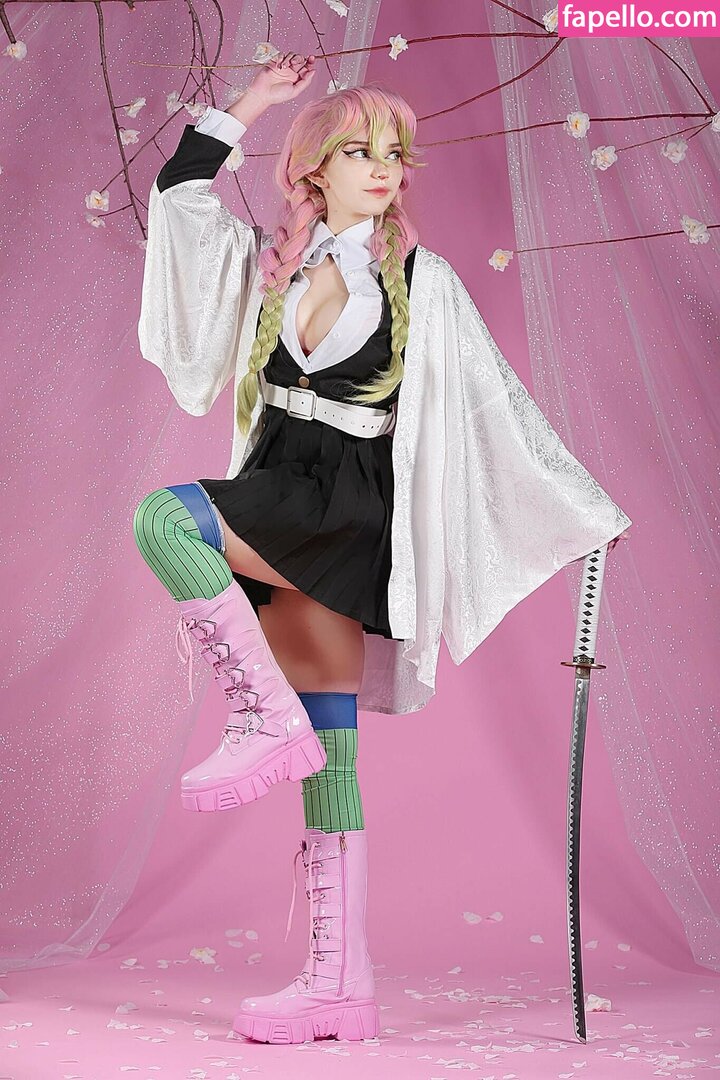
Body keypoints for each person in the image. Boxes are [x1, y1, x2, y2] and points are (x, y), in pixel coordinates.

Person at [134, 53, 632, 1045]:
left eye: (395, 154)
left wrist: (582, 509)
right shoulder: (269, 264)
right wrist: (253, 102)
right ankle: (340, 986)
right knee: (330, 758)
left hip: (348, 512)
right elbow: (180, 196)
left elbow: (492, 408)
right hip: (279, 495)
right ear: (313, 168)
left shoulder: (421, 281)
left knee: (165, 519)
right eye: (359, 151)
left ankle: (263, 713)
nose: (381, 168)